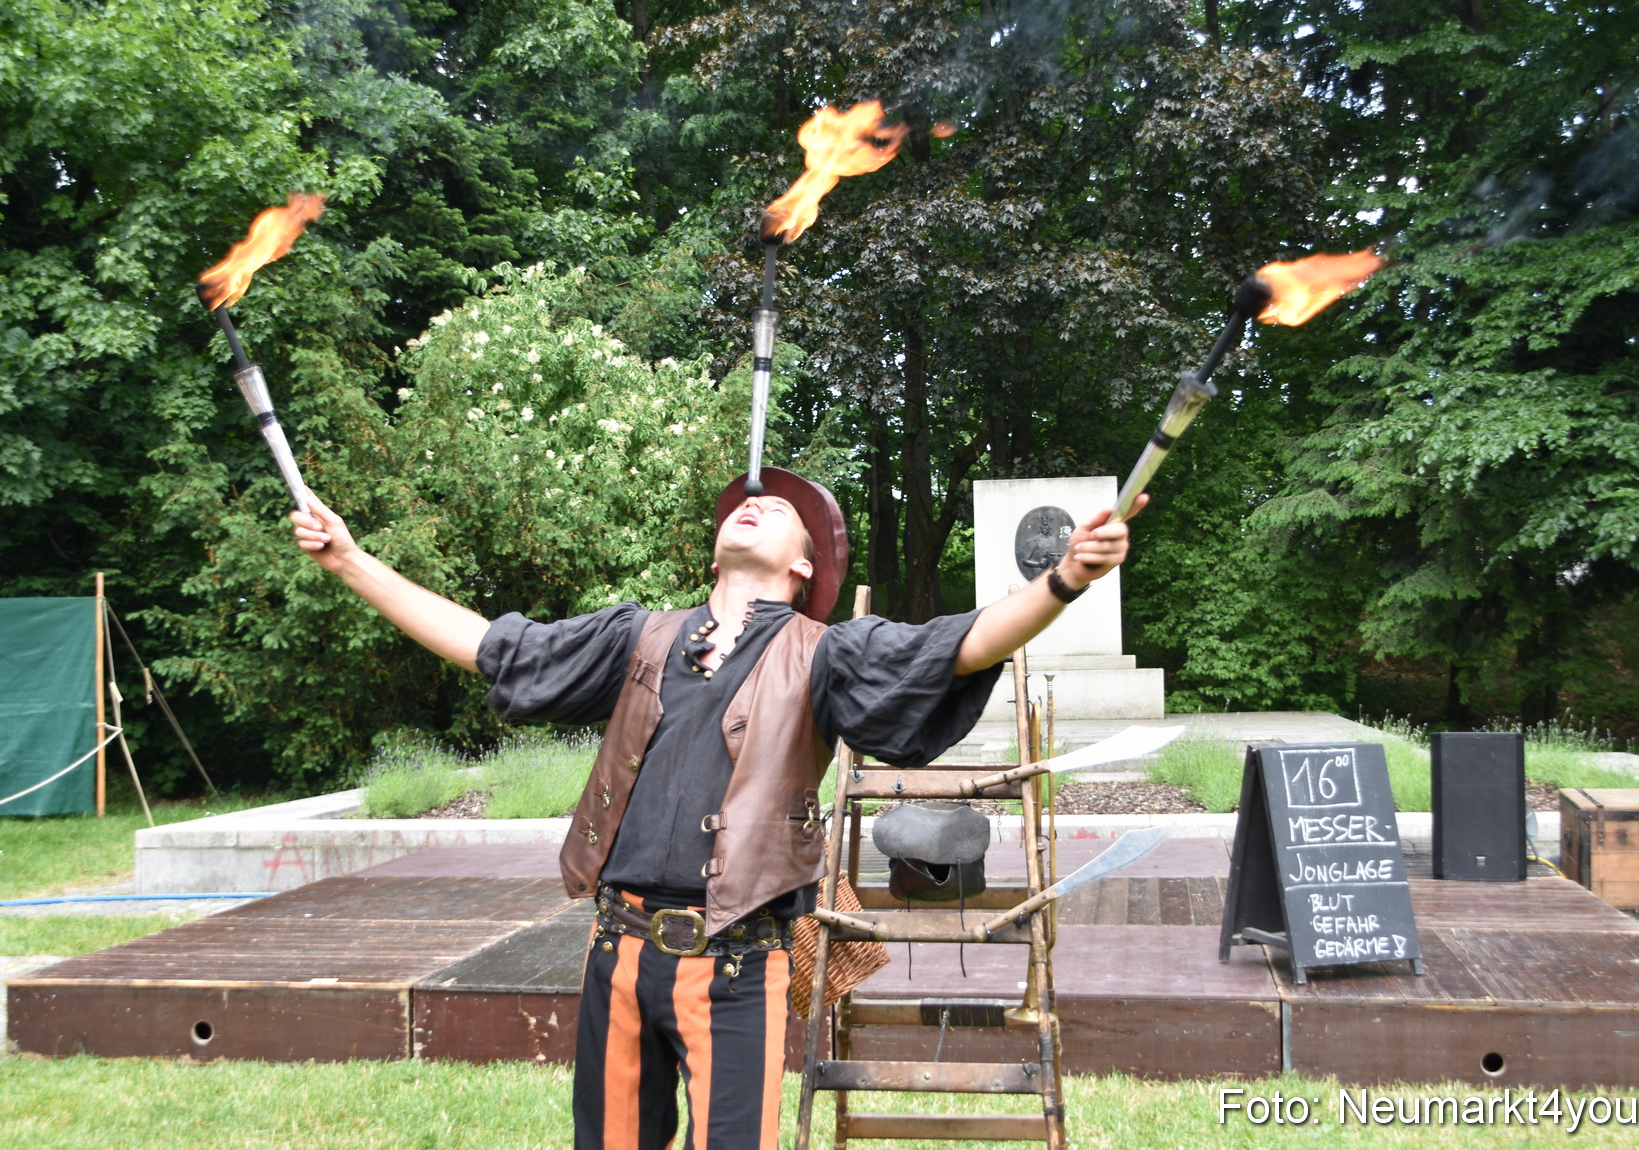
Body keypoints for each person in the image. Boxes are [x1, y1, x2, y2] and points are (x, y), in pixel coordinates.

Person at [290, 467, 1144, 1150]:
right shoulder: (639, 637)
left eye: (779, 512)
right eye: (746, 503)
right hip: (616, 952)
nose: (756, 504)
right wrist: (349, 561)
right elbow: (494, 648)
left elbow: (954, 647)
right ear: (711, 551)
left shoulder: (828, 653)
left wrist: (1063, 578)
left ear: (804, 566)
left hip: (738, 966)